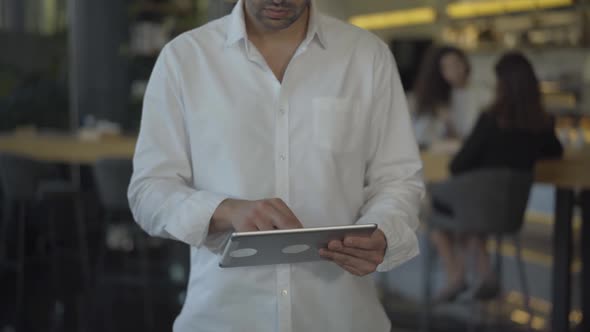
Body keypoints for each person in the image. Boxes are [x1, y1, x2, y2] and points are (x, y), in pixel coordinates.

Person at [127, 0, 424, 331]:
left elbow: (398, 179)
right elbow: (149, 191)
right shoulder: (185, 59)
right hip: (222, 318)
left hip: (341, 317)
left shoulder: (367, 56)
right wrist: (223, 211)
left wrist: (383, 230)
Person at [429, 52, 563, 303]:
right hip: (512, 212)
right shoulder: (541, 123)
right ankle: (484, 275)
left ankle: (458, 276)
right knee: (469, 217)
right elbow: (555, 151)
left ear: (501, 84)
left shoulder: (491, 118)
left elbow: (458, 165)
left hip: (479, 209)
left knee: (441, 212)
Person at [411, 46, 479, 147]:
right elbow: (420, 137)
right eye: (447, 67)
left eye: (457, 64)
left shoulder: (480, 94)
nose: (454, 71)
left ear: (465, 63)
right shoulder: (433, 98)